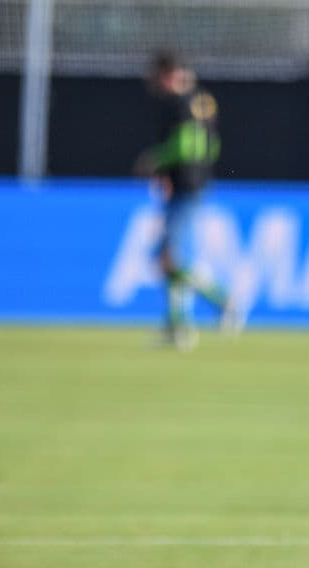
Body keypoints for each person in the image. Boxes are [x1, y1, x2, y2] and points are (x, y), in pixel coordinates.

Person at [135, 51, 232, 350]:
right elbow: (211, 146)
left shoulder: (179, 103)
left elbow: (186, 143)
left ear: (167, 74)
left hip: (185, 189)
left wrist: (156, 161)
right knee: (169, 258)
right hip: (195, 185)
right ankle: (178, 328)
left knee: (168, 258)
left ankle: (222, 301)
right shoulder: (204, 100)